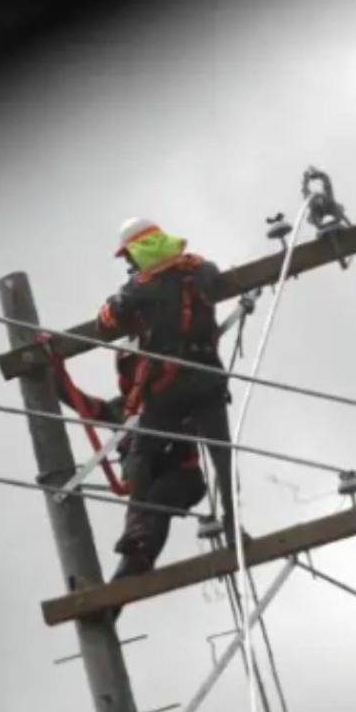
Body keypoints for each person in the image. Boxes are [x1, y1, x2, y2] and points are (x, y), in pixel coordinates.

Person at [96, 217, 240, 551]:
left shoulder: (139, 287)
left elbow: (106, 322)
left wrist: (122, 303)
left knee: (140, 453)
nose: (129, 264)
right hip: (208, 379)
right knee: (223, 457)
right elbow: (213, 275)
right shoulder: (200, 269)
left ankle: (138, 528)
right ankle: (234, 530)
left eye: (129, 256)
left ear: (140, 251)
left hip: (167, 387)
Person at [49, 344, 207, 587]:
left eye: (143, 365)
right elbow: (79, 401)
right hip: (145, 487)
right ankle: (115, 591)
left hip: (182, 476)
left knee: (156, 500)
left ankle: (139, 553)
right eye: (132, 367)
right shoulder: (119, 409)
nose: (140, 371)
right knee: (138, 543)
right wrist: (53, 370)